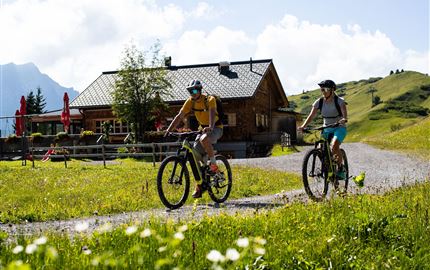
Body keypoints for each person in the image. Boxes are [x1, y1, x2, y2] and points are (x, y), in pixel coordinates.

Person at [165, 79, 223, 198]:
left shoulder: (209, 100)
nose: (193, 93)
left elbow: (212, 113)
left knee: (204, 139)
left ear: (200, 90)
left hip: (216, 128)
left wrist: (210, 127)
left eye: (195, 90)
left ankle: (213, 166)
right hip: (202, 129)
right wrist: (169, 129)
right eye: (190, 91)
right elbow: (179, 116)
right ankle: (201, 184)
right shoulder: (190, 102)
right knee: (194, 156)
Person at [298, 79, 348, 179]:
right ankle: (327, 168)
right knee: (321, 149)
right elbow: (311, 116)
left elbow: (344, 116)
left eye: (325, 89)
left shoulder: (339, 101)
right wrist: (303, 126)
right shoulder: (319, 102)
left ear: (332, 90)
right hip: (326, 128)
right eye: (321, 89)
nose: (323, 91)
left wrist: (343, 119)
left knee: (334, 146)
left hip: (339, 127)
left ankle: (341, 168)